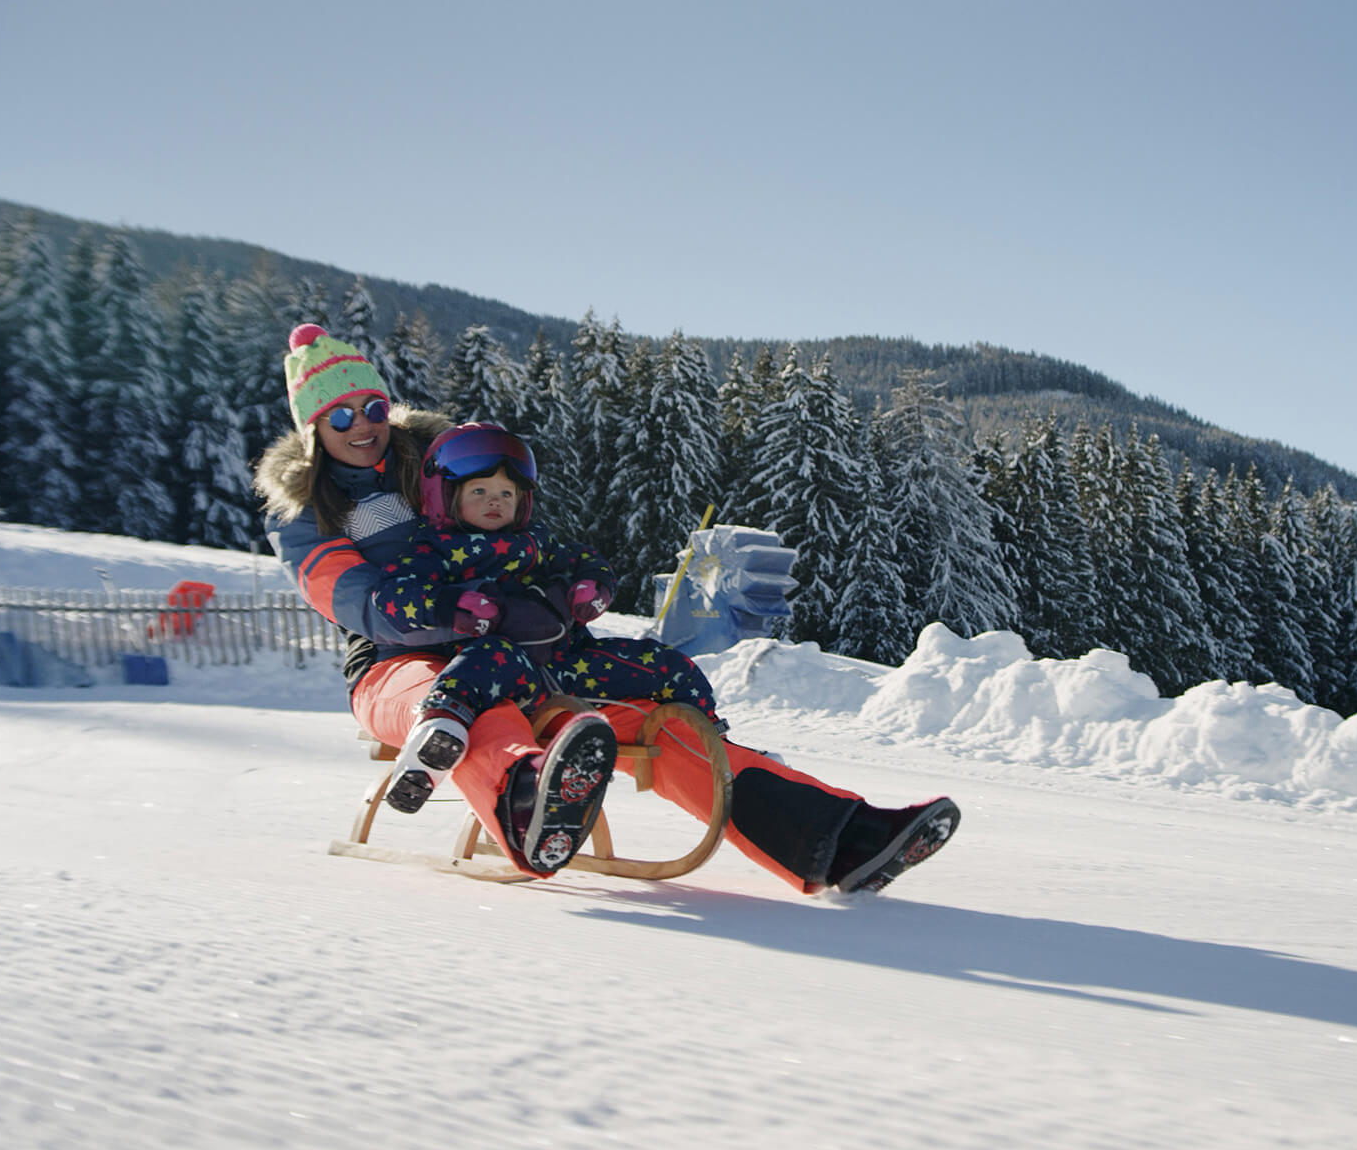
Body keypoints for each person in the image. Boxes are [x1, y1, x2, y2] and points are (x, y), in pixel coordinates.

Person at [255, 324, 958, 892]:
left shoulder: (436, 457)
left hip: (524, 650)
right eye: (339, 414)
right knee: (475, 709)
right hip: (396, 662)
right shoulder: (306, 509)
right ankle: (532, 807)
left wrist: (553, 594)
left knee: (660, 721)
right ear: (312, 426)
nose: (363, 424)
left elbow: (515, 526)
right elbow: (359, 602)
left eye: (373, 407)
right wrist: (465, 614)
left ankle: (837, 837)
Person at [368, 420, 724, 818]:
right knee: (479, 663)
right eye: (479, 491)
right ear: (445, 495)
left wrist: (592, 587)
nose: (495, 502)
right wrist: (452, 605)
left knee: (667, 664)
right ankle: (437, 737)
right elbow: (393, 597)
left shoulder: (538, 543)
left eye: (507, 493)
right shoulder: (436, 548)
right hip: (506, 670)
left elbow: (589, 560)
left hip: (572, 666)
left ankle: (719, 748)